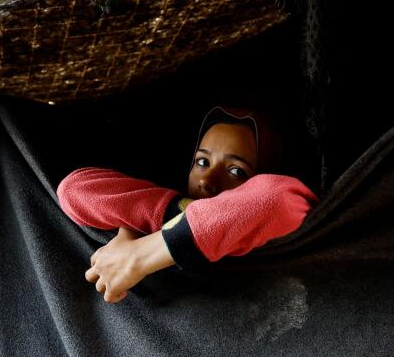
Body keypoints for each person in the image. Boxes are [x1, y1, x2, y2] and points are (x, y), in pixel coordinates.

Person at [57, 107, 316, 304]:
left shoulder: (279, 222)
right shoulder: (174, 207)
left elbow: (274, 198)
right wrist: (138, 228)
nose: (207, 180)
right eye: (202, 162)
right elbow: (74, 190)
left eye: (236, 171)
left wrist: (139, 256)